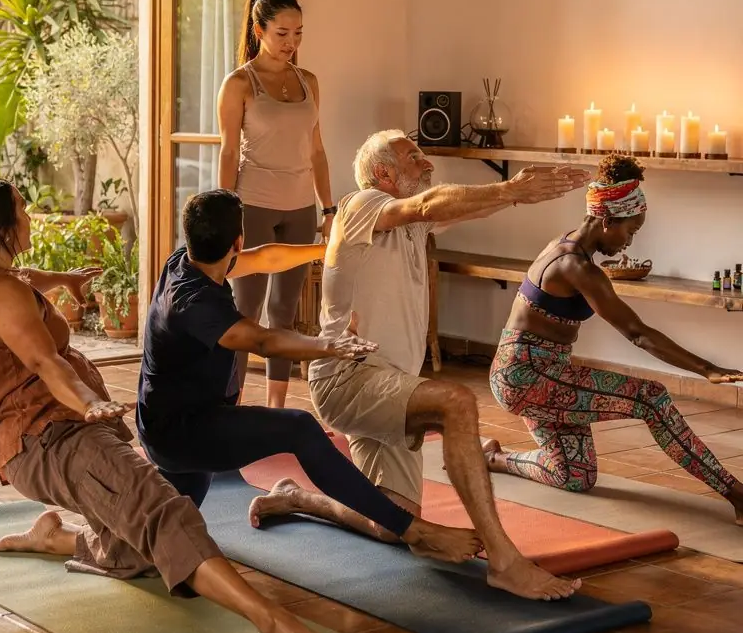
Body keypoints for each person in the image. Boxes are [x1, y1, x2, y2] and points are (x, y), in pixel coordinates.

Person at [0, 177, 358, 633]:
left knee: (142, 546)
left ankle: (53, 538)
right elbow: (44, 363)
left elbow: (25, 278)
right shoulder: (1, 295)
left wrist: (63, 280)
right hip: (51, 437)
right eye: (21, 210)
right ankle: (271, 624)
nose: (30, 215)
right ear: (1, 228)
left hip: (61, 428)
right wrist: (85, 400)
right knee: (168, 515)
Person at [250, 130, 592, 601]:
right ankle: (505, 562)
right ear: (384, 173)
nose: (427, 164)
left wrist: (517, 197)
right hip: (348, 379)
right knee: (455, 402)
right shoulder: (360, 204)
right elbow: (429, 204)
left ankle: (296, 496)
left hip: (391, 384)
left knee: (390, 521)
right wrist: (511, 189)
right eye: (415, 158)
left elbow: (453, 206)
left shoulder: (409, 224)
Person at [137, 188, 480, 567]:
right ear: (237, 239)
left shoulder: (187, 261)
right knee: (299, 428)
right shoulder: (194, 303)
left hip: (173, 424)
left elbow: (267, 257)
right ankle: (414, 530)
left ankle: (105, 540)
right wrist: (329, 345)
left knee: (153, 541)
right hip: (183, 433)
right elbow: (264, 341)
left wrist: (329, 250)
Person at [485, 153, 743, 522]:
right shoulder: (576, 267)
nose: (628, 242)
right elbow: (638, 335)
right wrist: (708, 369)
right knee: (650, 397)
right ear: (606, 220)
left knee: (575, 476)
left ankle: (494, 458)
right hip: (527, 378)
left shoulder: (566, 247)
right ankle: (735, 493)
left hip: (527, 376)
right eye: (630, 231)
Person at [217, 0, 335, 409]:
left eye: (299, 33)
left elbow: (317, 150)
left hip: (301, 207)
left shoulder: (309, 82)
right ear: (259, 30)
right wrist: (227, 214)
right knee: (243, 315)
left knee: (284, 312)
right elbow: (229, 152)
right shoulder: (238, 84)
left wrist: (328, 208)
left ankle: (276, 410)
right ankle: (227, 406)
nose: (292, 42)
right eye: (283, 33)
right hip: (254, 206)